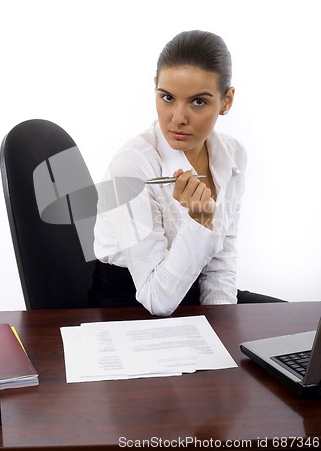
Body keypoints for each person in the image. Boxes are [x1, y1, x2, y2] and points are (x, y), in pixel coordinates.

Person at [90, 30, 284, 315]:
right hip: (131, 305)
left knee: (305, 329)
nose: (178, 118)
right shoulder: (130, 168)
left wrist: (223, 322)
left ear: (227, 101)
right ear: (155, 87)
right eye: (167, 97)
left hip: (193, 289)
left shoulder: (233, 155)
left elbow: (221, 260)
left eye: (198, 102)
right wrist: (200, 223)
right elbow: (157, 300)